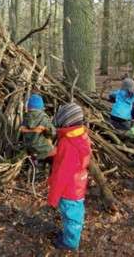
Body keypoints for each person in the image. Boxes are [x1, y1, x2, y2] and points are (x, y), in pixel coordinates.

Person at [48, 103, 92, 251]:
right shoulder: (80, 136)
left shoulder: (68, 143)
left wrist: (53, 197)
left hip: (69, 189)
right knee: (72, 215)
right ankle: (69, 235)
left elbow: (63, 174)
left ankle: (70, 243)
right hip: (77, 184)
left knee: (71, 216)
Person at [19, 94, 55, 163]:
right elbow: (53, 132)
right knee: (56, 153)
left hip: (30, 149)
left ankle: (35, 160)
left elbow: (22, 129)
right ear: (41, 107)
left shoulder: (26, 117)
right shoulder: (43, 118)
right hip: (44, 149)